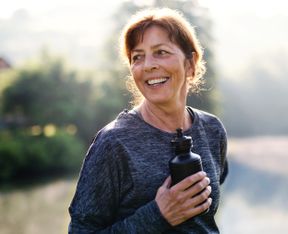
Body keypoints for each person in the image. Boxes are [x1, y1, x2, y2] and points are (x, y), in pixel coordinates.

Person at [68, 7, 228, 234]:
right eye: (137, 57)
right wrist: (158, 216)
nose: (148, 65)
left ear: (190, 64)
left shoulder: (213, 130)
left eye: (161, 52)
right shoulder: (113, 143)